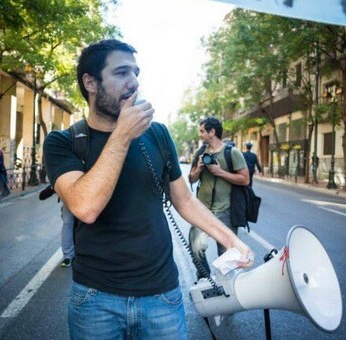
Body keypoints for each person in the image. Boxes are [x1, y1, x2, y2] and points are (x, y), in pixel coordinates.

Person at [43, 39, 253, 339]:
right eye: (122, 72)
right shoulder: (62, 142)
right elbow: (85, 206)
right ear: (90, 82)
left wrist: (230, 239)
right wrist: (123, 135)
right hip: (94, 300)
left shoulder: (157, 133)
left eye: (136, 72)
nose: (134, 82)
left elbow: (185, 201)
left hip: (162, 297)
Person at [188, 117, 250, 279]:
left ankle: (225, 287)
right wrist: (199, 169)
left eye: (202, 131)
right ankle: (204, 278)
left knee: (226, 253)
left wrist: (220, 172)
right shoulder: (200, 152)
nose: (200, 134)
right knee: (196, 247)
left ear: (212, 132)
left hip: (225, 211)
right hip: (202, 211)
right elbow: (191, 178)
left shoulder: (232, 153)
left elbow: (245, 179)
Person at [38, 184, 75, 267]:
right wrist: (53, 187)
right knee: (68, 223)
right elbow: (42, 196)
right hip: (69, 202)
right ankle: (68, 256)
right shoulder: (63, 178)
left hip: (86, 200)